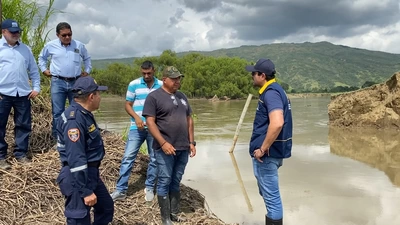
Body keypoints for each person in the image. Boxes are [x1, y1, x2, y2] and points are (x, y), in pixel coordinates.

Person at [55, 76, 114, 225]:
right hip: (77, 177)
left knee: (106, 207)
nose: (100, 98)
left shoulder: (84, 114)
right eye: (98, 94)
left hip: (90, 173)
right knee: (79, 219)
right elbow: (76, 158)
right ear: (91, 96)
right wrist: (85, 191)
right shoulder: (74, 120)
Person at [143, 66, 196, 225]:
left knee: (176, 179)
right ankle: (165, 218)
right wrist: (163, 143)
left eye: (179, 78)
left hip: (183, 147)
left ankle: (174, 213)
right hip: (164, 148)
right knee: (164, 180)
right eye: (174, 79)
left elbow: (189, 120)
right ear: (164, 79)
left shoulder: (182, 96)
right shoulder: (154, 97)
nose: (177, 81)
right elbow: (150, 123)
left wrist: (192, 142)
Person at [245, 58, 293, 225]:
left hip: (266, 155)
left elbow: (277, 122)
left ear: (262, 75)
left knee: (272, 200)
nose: (252, 76)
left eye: (254, 73)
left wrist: (263, 148)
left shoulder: (271, 93)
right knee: (267, 194)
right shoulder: (276, 90)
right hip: (273, 154)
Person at [110, 61, 163, 202]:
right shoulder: (134, 84)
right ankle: (121, 190)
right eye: (144, 73)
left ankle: (150, 187)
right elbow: (128, 105)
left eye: (149, 73)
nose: (146, 75)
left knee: (154, 159)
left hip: (155, 129)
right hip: (136, 127)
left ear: (154, 70)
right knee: (128, 157)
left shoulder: (162, 86)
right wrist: (136, 118)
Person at [38, 22, 92, 139]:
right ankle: (58, 138)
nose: (67, 37)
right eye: (64, 35)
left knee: (78, 110)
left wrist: (87, 71)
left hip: (75, 82)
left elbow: (87, 58)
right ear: (58, 35)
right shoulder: (50, 45)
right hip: (58, 81)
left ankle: (78, 136)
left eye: (69, 34)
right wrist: (44, 70)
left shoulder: (79, 45)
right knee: (58, 112)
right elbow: (41, 58)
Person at [0, 19, 41, 169]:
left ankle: (20, 154)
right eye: (12, 32)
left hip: (23, 93)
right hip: (2, 93)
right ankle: (1, 157)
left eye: (18, 31)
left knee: (23, 125)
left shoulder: (25, 49)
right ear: (3, 31)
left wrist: (36, 87)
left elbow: (34, 71)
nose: (16, 34)